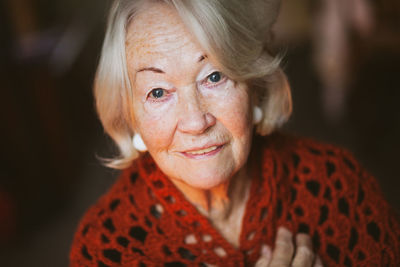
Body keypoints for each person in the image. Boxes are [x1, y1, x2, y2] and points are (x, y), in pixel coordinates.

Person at [69, 0, 400, 266]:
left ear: (253, 84)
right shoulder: (105, 247)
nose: (196, 121)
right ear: (130, 116)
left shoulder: (337, 185)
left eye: (214, 76)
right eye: (158, 92)